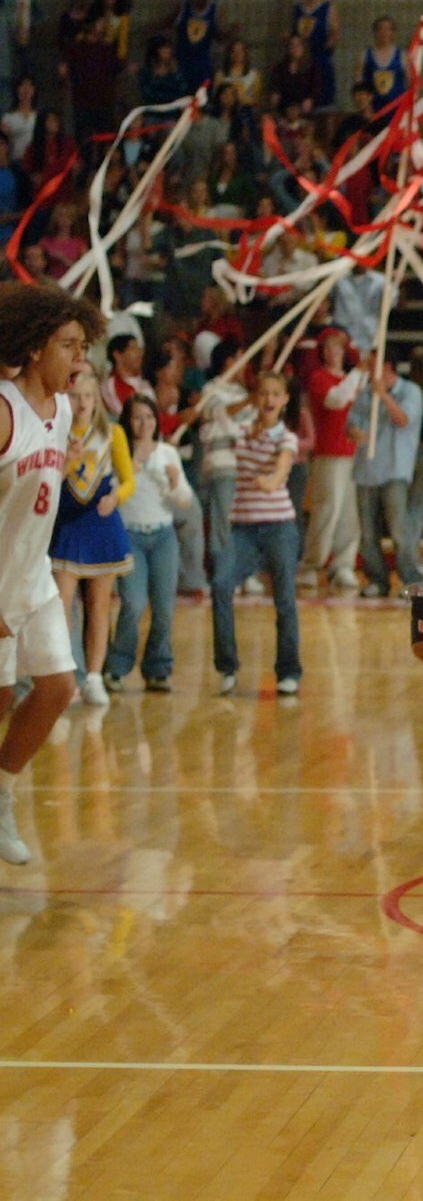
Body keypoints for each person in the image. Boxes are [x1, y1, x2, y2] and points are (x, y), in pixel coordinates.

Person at [0, 285, 97, 865]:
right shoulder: (5, 410)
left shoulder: (61, 411)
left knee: (59, 687)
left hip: (30, 576)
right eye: (68, 345)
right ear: (36, 348)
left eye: (82, 347)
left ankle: (3, 794)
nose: (78, 360)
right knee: (3, 697)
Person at [211, 371, 303, 697]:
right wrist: (249, 400)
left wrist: (272, 481)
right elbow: (221, 414)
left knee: (284, 600)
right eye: (264, 394)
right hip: (243, 529)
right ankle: (227, 667)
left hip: (279, 527)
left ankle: (289, 672)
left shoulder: (286, 438)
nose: (269, 400)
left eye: (276, 394)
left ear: (285, 400)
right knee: (221, 585)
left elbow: (282, 468)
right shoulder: (243, 432)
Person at [50, 364, 134, 708]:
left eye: (87, 396)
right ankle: (66, 675)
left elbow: (128, 479)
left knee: (100, 606)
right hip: (67, 523)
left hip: (102, 525)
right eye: (75, 396)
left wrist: (116, 497)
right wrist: (69, 460)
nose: (82, 403)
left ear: (97, 399)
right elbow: (52, 478)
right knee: (61, 604)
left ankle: (95, 677)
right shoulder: (58, 433)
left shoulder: (112, 433)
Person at [104, 396, 191, 694]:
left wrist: (176, 481)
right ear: (128, 422)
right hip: (130, 536)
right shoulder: (120, 452)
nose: (144, 424)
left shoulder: (167, 453)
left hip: (163, 536)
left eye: (150, 417)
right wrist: (130, 470)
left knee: (165, 607)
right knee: (133, 603)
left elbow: (184, 501)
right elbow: (110, 494)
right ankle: (117, 667)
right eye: (137, 418)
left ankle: (158, 668)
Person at [347, 353, 423, 599]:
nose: (367, 370)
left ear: (387, 366)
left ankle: (411, 579)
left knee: (399, 530)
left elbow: (403, 419)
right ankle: (377, 579)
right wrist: (355, 431)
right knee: (368, 533)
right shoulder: (364, 393)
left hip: (394, 470)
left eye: (371, 365)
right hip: (365, 471)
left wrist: (383, 395)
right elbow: (350, 425)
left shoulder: (411, 391)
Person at [299, 327, 363, 594]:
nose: (331, 352)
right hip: (329, 454)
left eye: (336, 346)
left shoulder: (351, 379)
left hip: (350, 453)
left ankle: (343, 564)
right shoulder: (319, 378)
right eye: (327, 347)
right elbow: (335, 400)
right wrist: (360, 372)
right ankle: (311, 565)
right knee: (327, 510)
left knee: (349, 513)